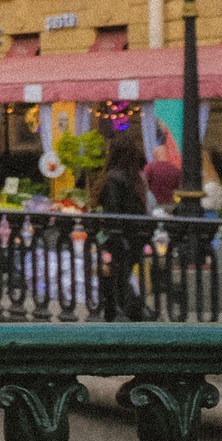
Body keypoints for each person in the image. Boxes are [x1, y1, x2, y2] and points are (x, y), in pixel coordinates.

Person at [96, 130, 153, 320]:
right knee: (124, 274)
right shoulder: (136, 177)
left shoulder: (113, 177)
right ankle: (132, 309)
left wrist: (109, 234)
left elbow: (112, 208)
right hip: (135, 234)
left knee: (115, 274)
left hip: (119, 235)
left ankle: (122, 310)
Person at [143, 138, 182, 211]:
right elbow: (179, 187)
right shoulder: (175, 169)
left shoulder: (150, 167)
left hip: (155, 206)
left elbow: (145, 184)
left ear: (155, 155)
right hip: (170, 205)